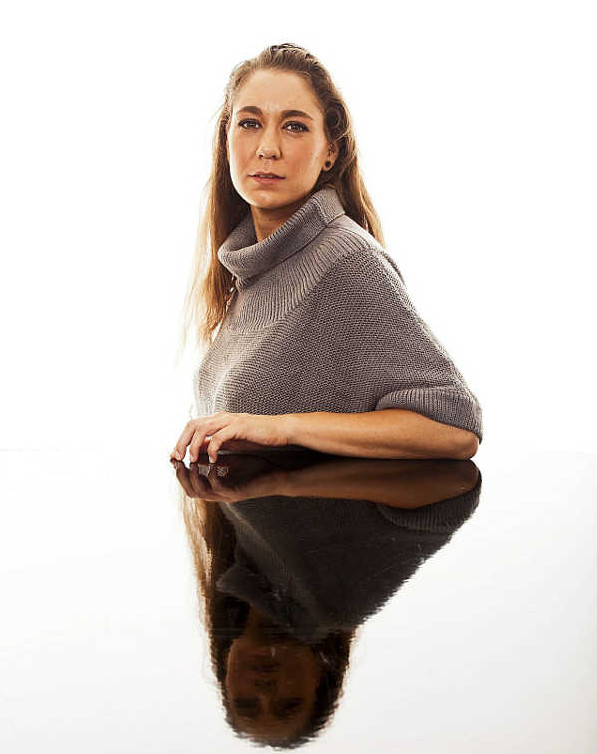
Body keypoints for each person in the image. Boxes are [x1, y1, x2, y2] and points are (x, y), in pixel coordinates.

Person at [170, 43, 483, 466]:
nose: (267, 148)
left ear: (330, 150)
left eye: (294, 126)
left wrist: (283, 428)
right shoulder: (253, 264)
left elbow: (454, 428)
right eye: (249, 123)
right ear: (226, 139)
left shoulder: (346, 261)